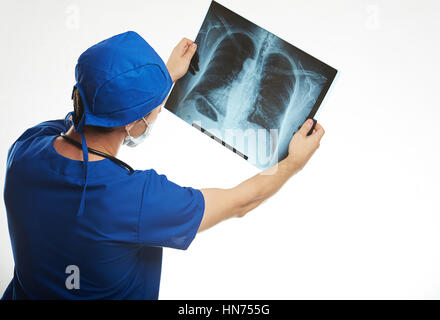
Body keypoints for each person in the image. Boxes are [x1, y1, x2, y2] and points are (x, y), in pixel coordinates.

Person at [1, 31, 324, 300]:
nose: (156, 113)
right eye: (154, 109)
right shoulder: (136, 200)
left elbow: (96, 110)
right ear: (133, 122)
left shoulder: (27, 148)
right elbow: (241, 202)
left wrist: (158, 80)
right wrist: (293, 163)